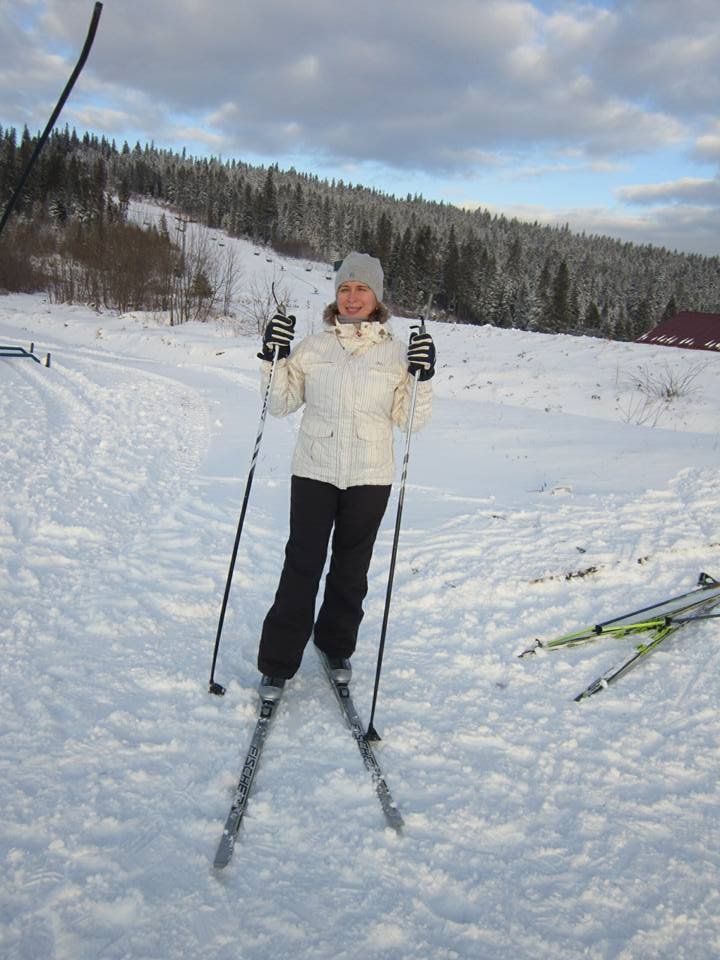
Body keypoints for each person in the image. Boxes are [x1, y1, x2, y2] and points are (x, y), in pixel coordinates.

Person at [255, 251, 436, 701]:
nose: (352, 297)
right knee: (302, 565)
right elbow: (279, 405)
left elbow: (411, 420)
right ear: (335, 296)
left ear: (377, 299)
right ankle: (278, 662)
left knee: (351, 570)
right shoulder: (313, 348)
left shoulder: (397, 354)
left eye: (361, 289)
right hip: (314, 470)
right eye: (344, 288)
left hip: (370, 475)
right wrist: (272, 356)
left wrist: (423, 376)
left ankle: (335, 645)